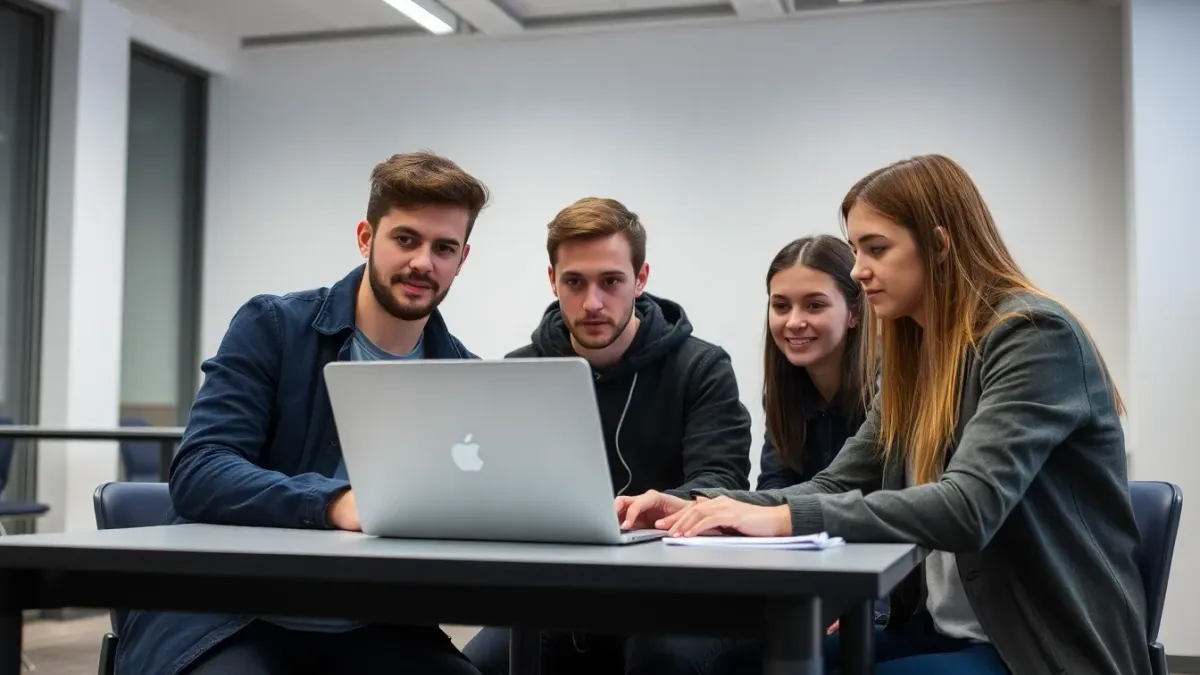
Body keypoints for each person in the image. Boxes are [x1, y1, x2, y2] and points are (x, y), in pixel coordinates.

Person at [620, 154, 1151, 675]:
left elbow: (969, 508)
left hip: (1032, 645)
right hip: (941, 628)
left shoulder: (1032, 335)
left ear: (940, 245)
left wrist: (780, 518)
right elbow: (831, 487)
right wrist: (694, 504)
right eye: (855, 249)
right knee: (744, 665)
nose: (858, 270)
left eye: (876, 248)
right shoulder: (918, 358)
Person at [115, 152, 491, 675]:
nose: (424, 262)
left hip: (370, 622)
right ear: (366, 238)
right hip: (229, 613)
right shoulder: (273, 326)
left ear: (462, 259)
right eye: (406, 239)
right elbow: (200, 470)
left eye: (443, 248)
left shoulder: (463, 374)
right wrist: (335, 503)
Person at [461, 197, 753, 675]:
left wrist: (653, 508)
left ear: (640, 279)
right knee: (477, 665)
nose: (592, 303)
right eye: (574, 282)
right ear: (552, 280)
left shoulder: (700, 367)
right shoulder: (522, 370)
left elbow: (721, 483)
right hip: (558, 599)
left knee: (662, 661)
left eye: (611, 281)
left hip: (675, 597)